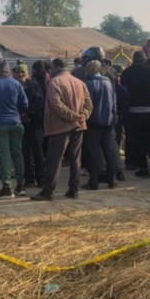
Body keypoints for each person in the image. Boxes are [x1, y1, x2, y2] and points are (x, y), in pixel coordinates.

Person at [32, 58, 92, 201]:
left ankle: (48, 191)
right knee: (75, 159)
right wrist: (82, 116)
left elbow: (56, 105)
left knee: (54, 160)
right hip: (78, 126)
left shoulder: (55, 83)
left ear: (57, 67)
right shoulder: (80, 83)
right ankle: (74, 189)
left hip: (60, 127)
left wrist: (73, 117)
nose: (49, 70)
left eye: (51, 67)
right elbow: (89, 104)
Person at [0, 59, 29, 198]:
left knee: (4, 156)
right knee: (18, 154)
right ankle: (21, 184)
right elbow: (25, 104)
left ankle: (7, 187)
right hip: (16, 123)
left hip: (0, 124)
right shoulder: (16, 84)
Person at [121, 51, 150, 178]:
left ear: (133, 60)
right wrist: (149, 60)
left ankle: (144, 169)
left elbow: (123, 83)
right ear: (144, 59)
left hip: (135, 110)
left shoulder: (127, 72)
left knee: (139, 140)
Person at [82, 60, 118, 190]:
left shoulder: (88, 84)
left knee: (93, 153)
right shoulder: (109, 82)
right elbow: (114, 102)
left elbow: (86, 104)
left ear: (90, 70)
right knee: (109, 152)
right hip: (108, 122)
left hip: (93, 122)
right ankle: (112, 180)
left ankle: (94, 181)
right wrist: (114, 116)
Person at [16, 62, 45, 188]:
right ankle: (29, 179)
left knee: (38, 153)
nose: (21, 74)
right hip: (22, 124)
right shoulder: (16, 86)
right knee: (25, 153)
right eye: (19, 72)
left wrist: (28, 115)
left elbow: (39, 103)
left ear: (27, 73)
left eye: (23, 72)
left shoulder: (34, 85)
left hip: (35, 123)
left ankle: (41, 179)